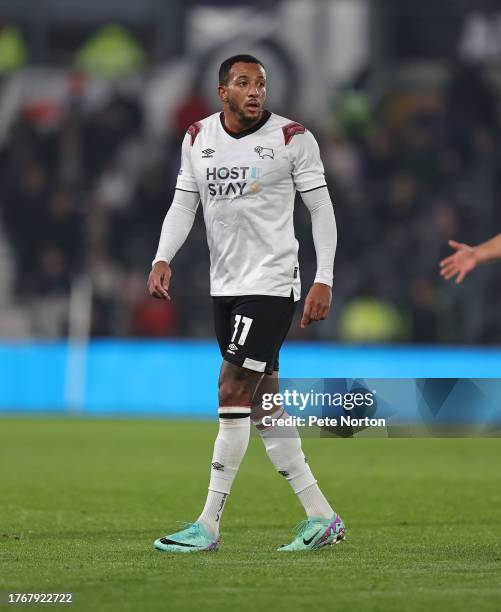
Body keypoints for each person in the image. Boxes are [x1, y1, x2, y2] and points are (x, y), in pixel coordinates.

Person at [147, 54, 344, 552]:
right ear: (223, 92)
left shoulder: (292, 138)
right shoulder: (198, 138)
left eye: (261, 83)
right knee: (264, 404)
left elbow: (320, 208)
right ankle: (321, 516)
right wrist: (162, 257)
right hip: (226, 283)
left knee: (231, 386)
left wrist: (323, 278)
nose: (255, 91)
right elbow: (183, 204)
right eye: (244, 83)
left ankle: (208, 524)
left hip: (272, 283)